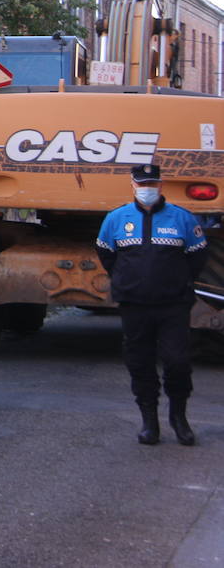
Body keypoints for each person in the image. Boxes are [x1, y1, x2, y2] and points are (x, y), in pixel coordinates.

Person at [96, 163, 207, 445]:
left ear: (161, 186)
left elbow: (197, 258)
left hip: (173, 305)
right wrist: (129, 282)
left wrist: (175, 282)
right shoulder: (116, 219)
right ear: (132, 185)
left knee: (177, 361)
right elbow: (107, 256)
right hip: (134, 305)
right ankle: (149, 422)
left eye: (152, 184)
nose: (147, 189)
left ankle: (179, 418)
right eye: (142, 184)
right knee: (140, 362)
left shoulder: (183, 219)